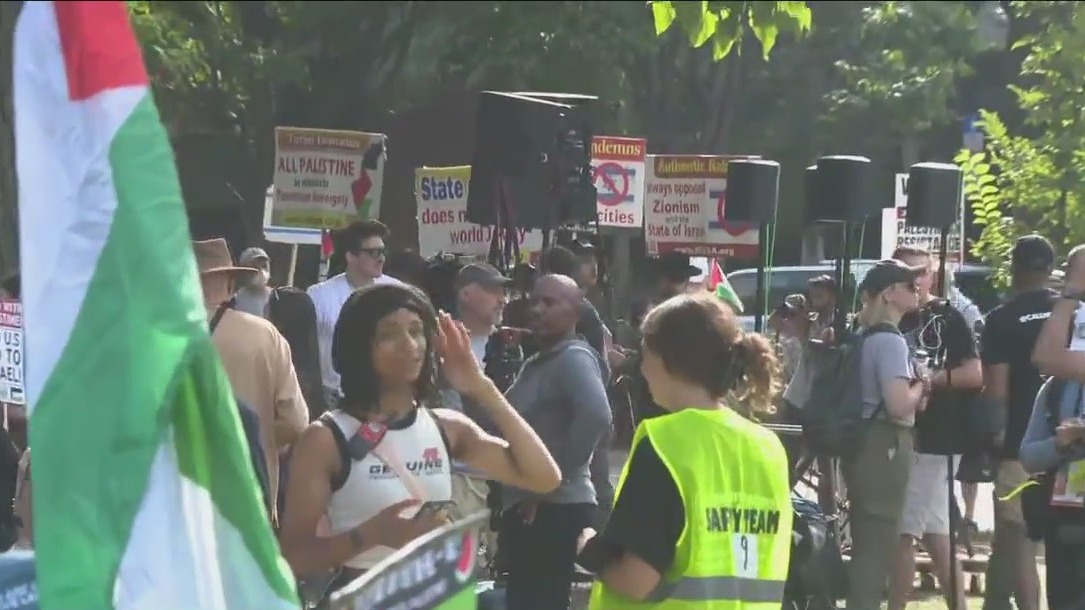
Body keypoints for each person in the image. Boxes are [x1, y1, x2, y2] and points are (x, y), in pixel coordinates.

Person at [279, 284, 560, 592]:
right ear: (360, 345)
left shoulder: (448, 428)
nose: (409, 345)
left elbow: (544, 477)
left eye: (417, 331)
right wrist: (370, 536)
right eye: (389, 334)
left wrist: (480, 385)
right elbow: (292, 556)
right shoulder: (326, 439)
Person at [577, 292, 791, 609]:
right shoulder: (768, 447)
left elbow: (637, 579)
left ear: (665, 358)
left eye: (643, 352)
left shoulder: (666, 442)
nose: (641, 367)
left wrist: (588, 549)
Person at [500, 274, 612, 610]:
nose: (537, 309)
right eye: (534, 301)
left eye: (550, 303)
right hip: (532, 507)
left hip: (555, 510)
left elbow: (596, 415)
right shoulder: (540, 362)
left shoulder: (573, 358)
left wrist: (548, 481)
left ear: (575, 312)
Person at [887, 246, 981, 610]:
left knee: (903, 532)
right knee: (936, 533)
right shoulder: (891, 316)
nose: (915, 280)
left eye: (921, 272)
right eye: (905, 273)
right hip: (905, 433)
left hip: (937, 438)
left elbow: (975, 374)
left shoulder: (947, 317)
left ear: (932, 274)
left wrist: (930, 380)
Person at [193, 238, 308, 524]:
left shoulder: (152, 336)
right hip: (247, 496)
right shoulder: (263, 336)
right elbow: (296, 422)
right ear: (231, 283)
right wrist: (259, 436)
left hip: (177, 496)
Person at [844, 259, 926, 610]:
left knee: (867, 537)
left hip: (861, 440)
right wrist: (922, 384)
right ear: (891, 294)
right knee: (877, 543)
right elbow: (897, 403)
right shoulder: (890, 341)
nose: (917, 291)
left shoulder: (861, 336)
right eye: (910, 286)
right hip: (885, 442)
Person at [978, 235, 1053, 610]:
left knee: (1018, 537)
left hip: (1019, 445)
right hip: (1069, 439)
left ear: (1014, 269)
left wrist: (994, 439)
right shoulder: (1074, 313)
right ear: (1051, 270)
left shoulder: (1001, 319)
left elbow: (997, 389)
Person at [1026, 243, 1085, 610]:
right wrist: (1061, 444)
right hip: (1069, 518)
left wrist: (1071, 291)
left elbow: (1046, 355)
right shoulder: (1059, 388)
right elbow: (1029, 454)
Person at [307, 220, 404, 409]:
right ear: (351, 256)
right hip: (331, 397)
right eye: (373, 253)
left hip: (382, 396)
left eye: (383, 252)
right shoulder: (319, 295)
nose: (381, 259)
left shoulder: (397, 292)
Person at [234, 246, 273, 317]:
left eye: (264, 266)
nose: (261, 271)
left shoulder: (277, 299)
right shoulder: (235, 301)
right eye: (255, 267)